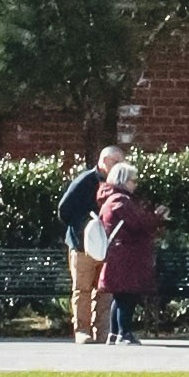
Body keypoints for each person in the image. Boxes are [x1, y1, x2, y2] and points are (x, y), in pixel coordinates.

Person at [95, 160, 163, 347]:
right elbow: (139, 224)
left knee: (120, 296)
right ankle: (125, 333)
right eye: (133, 180)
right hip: (127, 256)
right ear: (123, 181)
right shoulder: (121, 201)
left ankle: (114, 333)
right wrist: (157, 217)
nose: (135, 184)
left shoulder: (109, 199)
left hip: (119, 255)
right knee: (128, 296)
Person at [57, 142, 117, 344]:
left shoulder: (117, 183)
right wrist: (83, 229)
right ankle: (82, 330)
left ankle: (102, 331)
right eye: (116, 162)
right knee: (82, 289)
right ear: (104, 162)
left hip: (105, 246)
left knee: (104, 290)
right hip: (82, 245)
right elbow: (64, 209)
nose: (120, 167)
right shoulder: (84, 181)